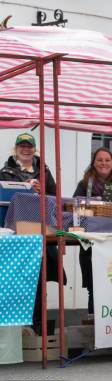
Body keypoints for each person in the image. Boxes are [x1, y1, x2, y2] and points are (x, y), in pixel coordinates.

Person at [0, 132, 63, 335]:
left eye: (29, 146)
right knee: (15, 277)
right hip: (14, 233)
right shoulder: (5, 171)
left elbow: (56, 197)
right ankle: (14, 329)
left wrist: (41, 190)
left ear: (34, 149)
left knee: (38, 278)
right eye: (22, 146)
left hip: (41, 230)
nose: (26, 149)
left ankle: (37, 325)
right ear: (16, 149)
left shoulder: (44, 171)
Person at [73, 147, 112, 314]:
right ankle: (94, 323)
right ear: (94, 162)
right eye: (100, 159)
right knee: (93, 285)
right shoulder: (84, 184)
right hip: (91, 241)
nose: (103, 163)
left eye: (107, 160)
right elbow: (75, 207)